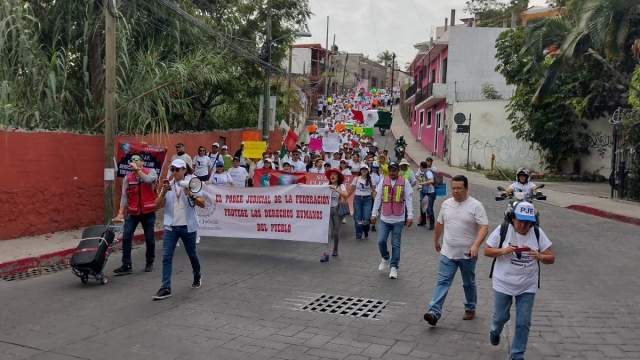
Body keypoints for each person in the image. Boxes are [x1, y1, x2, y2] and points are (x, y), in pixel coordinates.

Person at [484, 202, 554, 360]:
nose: (523, 225)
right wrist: (503, 250)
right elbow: (487, 251)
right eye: (519, 221)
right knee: (500, 318)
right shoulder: (503, 230)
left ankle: (516, 354)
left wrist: (540, 256)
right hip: (503, 282)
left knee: (523, 322)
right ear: (513, 218)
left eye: (527, 222)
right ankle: (495, 332)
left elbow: (551, 258)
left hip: (527, 285)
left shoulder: (537, 233)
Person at [424, 175, 489, 326]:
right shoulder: (446, 204)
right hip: (448, 252)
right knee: (443, 281)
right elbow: (440, 223)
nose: (456, 191)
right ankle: (434, 312)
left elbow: (484, 227)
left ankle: (470, 307)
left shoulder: (476, 206)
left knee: (468, 283)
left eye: (459, 188)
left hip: (467, 254)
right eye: (453, 188)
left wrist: (475, 246)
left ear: (466, 188)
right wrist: (436, 240)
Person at [153, 159, 205, 300]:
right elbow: (156, 206)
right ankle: (166, 287)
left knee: (192, 254)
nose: (174, 172)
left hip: (188, 226)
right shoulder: (168, 185)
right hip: (171, 227)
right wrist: (163, 193)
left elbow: (202, 204)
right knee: (166, 256)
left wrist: (191, 195)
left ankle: (197, 274)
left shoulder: (192, 183)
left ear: (184, 170)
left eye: (177, 169)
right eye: (172, 169)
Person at [113, 153, 158, 274]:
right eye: (131, 160)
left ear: (142, 162)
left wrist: (138, 170)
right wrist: (121, 212)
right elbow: (124, 196)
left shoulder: (151, 172)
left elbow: (148, 180)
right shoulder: (128, 178)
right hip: (133, 212)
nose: (133, 161)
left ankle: (149, 261)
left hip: (148, 211)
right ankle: (126, 264)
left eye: (136, 159)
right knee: (127, 236)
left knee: (149, 238)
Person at [371, 161, 414, 279]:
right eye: (390, 170)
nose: (392, 172)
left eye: (394, 170)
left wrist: (410, 216)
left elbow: (409, 199)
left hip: (398, 219)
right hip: (384, 217)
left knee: (396, 244)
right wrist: (374, 213)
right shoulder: (383, 181)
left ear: (398, 171)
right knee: (381, 241)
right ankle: (385, 257)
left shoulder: (404, 182)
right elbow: (378, 198)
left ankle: (394, 267)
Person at [321, 168, 349, 262]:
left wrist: (336, 189)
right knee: (327, 233)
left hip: (337, 211)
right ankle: (325, 253)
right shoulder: (325, 185)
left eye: (334, 175)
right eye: (331, 175)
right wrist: (301, 186)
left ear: (337, 177)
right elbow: (315, 190)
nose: (332, 176)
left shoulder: (341, 186)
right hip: (326, 211)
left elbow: (346, 195)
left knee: (336, 232)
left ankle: (335, 247)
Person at [350, 165, 375, 240]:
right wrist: (345, 196)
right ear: (360, 170)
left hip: (367, 200)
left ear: (368, 170)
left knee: (366, 218)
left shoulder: (371, 179)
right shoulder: (356, 179)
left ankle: (366, 230)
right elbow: (351, 189)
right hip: (357, 199)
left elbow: (373, 191)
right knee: (358, 218)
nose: (364, 171)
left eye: (365, 169)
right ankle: (358, 235)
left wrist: (376, 202)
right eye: (362, 169)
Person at [416, 161, 436, 229]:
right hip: (426, 192)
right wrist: (420, 186)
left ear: (421, 167)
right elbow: (424, 181)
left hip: (431, 193)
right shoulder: (425, 173)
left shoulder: (428, 172)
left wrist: (423, 183)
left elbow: (431, 181)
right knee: (423, 207)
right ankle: (423, 221)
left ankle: (432, 224)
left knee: (429, 209)